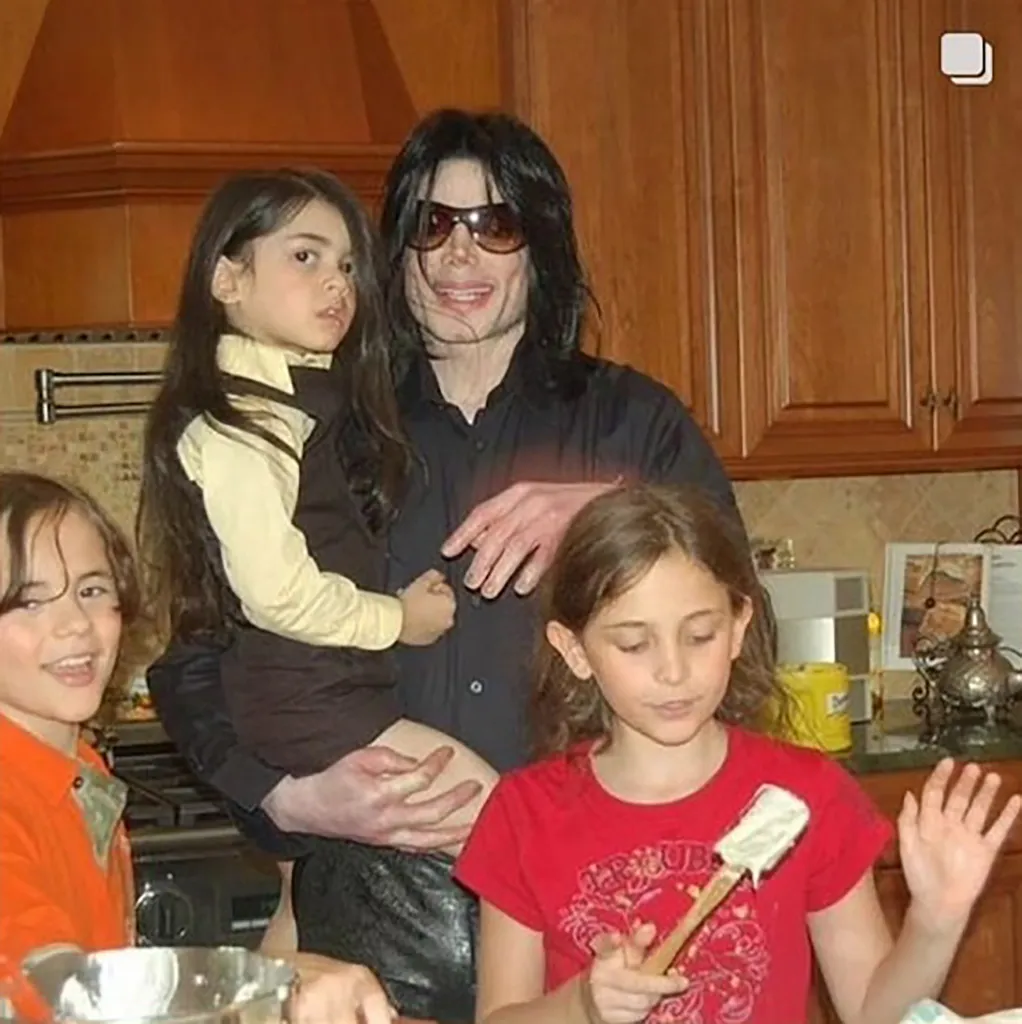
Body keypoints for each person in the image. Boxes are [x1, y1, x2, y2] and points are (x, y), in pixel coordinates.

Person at [147, 109, 743, 1021]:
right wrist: (287, 797)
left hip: (595, 917)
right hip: (375, 921)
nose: (461, 253)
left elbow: (736, 607)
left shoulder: (635, 422)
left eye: (494, 224)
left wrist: (611, 509)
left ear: (538, 246)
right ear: (397, 253)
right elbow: (195, 659)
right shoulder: (316, 425)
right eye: (433, 224)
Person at [454, 483, 1021, 1024]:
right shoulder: (523, 814)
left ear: (737, 627)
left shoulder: (811, 795)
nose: (673, 670)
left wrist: (934, 922)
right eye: (634, 643)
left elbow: (875, 1014)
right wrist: (583, 1007)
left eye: (700, 635)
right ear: (574, 650)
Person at [136, 169, 499, 947]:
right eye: (305, 257)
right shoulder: (243, 424)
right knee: (509, 836)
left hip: (321, 700)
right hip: (315, 706)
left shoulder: (299, 404)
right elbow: (275, 593)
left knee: (307, 920)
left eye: (346, 265)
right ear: (227, 279)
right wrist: (398, 618)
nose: (337, 283)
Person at [0, 471, 396, 1024]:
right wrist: (260, 984)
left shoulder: (80, 771)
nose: (74, 626)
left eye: (91, 590)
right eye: (29, 601)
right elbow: (51, 988)